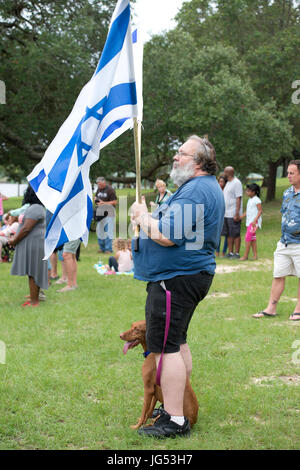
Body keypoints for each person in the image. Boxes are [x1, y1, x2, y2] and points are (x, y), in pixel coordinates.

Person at [130, 135, 225, 438]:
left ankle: (175, 419)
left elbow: (167, 235)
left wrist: (142, 217)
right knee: (176, 343)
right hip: (182, 277)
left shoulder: (196, 188)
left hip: (176, 279)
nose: (175, 157)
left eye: (182, 154)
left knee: (165, 348)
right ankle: (176, 406)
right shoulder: (197, 187)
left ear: (199, 162)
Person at [253, 160, 300, 321]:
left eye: (292, 173)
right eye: (288, 173)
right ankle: (271, 308)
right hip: (284, 242)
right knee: (278, 274)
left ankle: (299, 309)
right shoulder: (287, 193)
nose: (288, 176)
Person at [10, 185, 48, 307]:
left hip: (34, 244)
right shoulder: (35, 207)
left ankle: (34, 302)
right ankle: (33, 299)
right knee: (32, 272)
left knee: (33, 272)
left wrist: (14, 241)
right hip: (33, 244)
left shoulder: (36, 208)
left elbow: (27, 228)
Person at [222, 166, 243, 259]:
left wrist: (237, 213)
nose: (223, 174)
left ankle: (237, 253)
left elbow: (239, 197)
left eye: (225, 172)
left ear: (228, 173)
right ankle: (230, 252)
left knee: (235, 233)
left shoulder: (236, 183)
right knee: (228, 234)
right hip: (226, 213)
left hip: (233, 213)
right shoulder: (228, 183)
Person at [94, 177, 117, 253]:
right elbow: (96, 197)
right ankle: (102, 248)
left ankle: (108, 249)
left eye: (100, 184)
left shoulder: (110, 190)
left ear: (104, 182)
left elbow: (114, 202)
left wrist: (103, 203)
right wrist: (96, 200)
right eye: (97, 184)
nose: (99, 186)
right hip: (100, 213)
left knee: (108, 231)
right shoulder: (98, 189)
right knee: (100, 230)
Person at [240, 183, 262, 261]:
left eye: (248, 191)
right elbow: (248, 211)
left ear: (254, 192)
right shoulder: (250, 200)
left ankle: (245, 256)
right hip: (249, 222)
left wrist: (255, 220)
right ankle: (255, 255)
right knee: (252, 239)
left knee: (248, 238)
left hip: (253, 223)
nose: (247, 192)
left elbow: (260, 211)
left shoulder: (257, 200)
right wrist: (241, 216)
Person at [216, 174, 228, 257]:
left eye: (222, 182)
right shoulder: (216, 191)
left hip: (227, 215)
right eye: (219, 181)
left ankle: (224, 252)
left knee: (227, 235)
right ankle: (217, 252)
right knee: (218, 235)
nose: (221, 183)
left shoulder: (227, 192)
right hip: (218, 215)